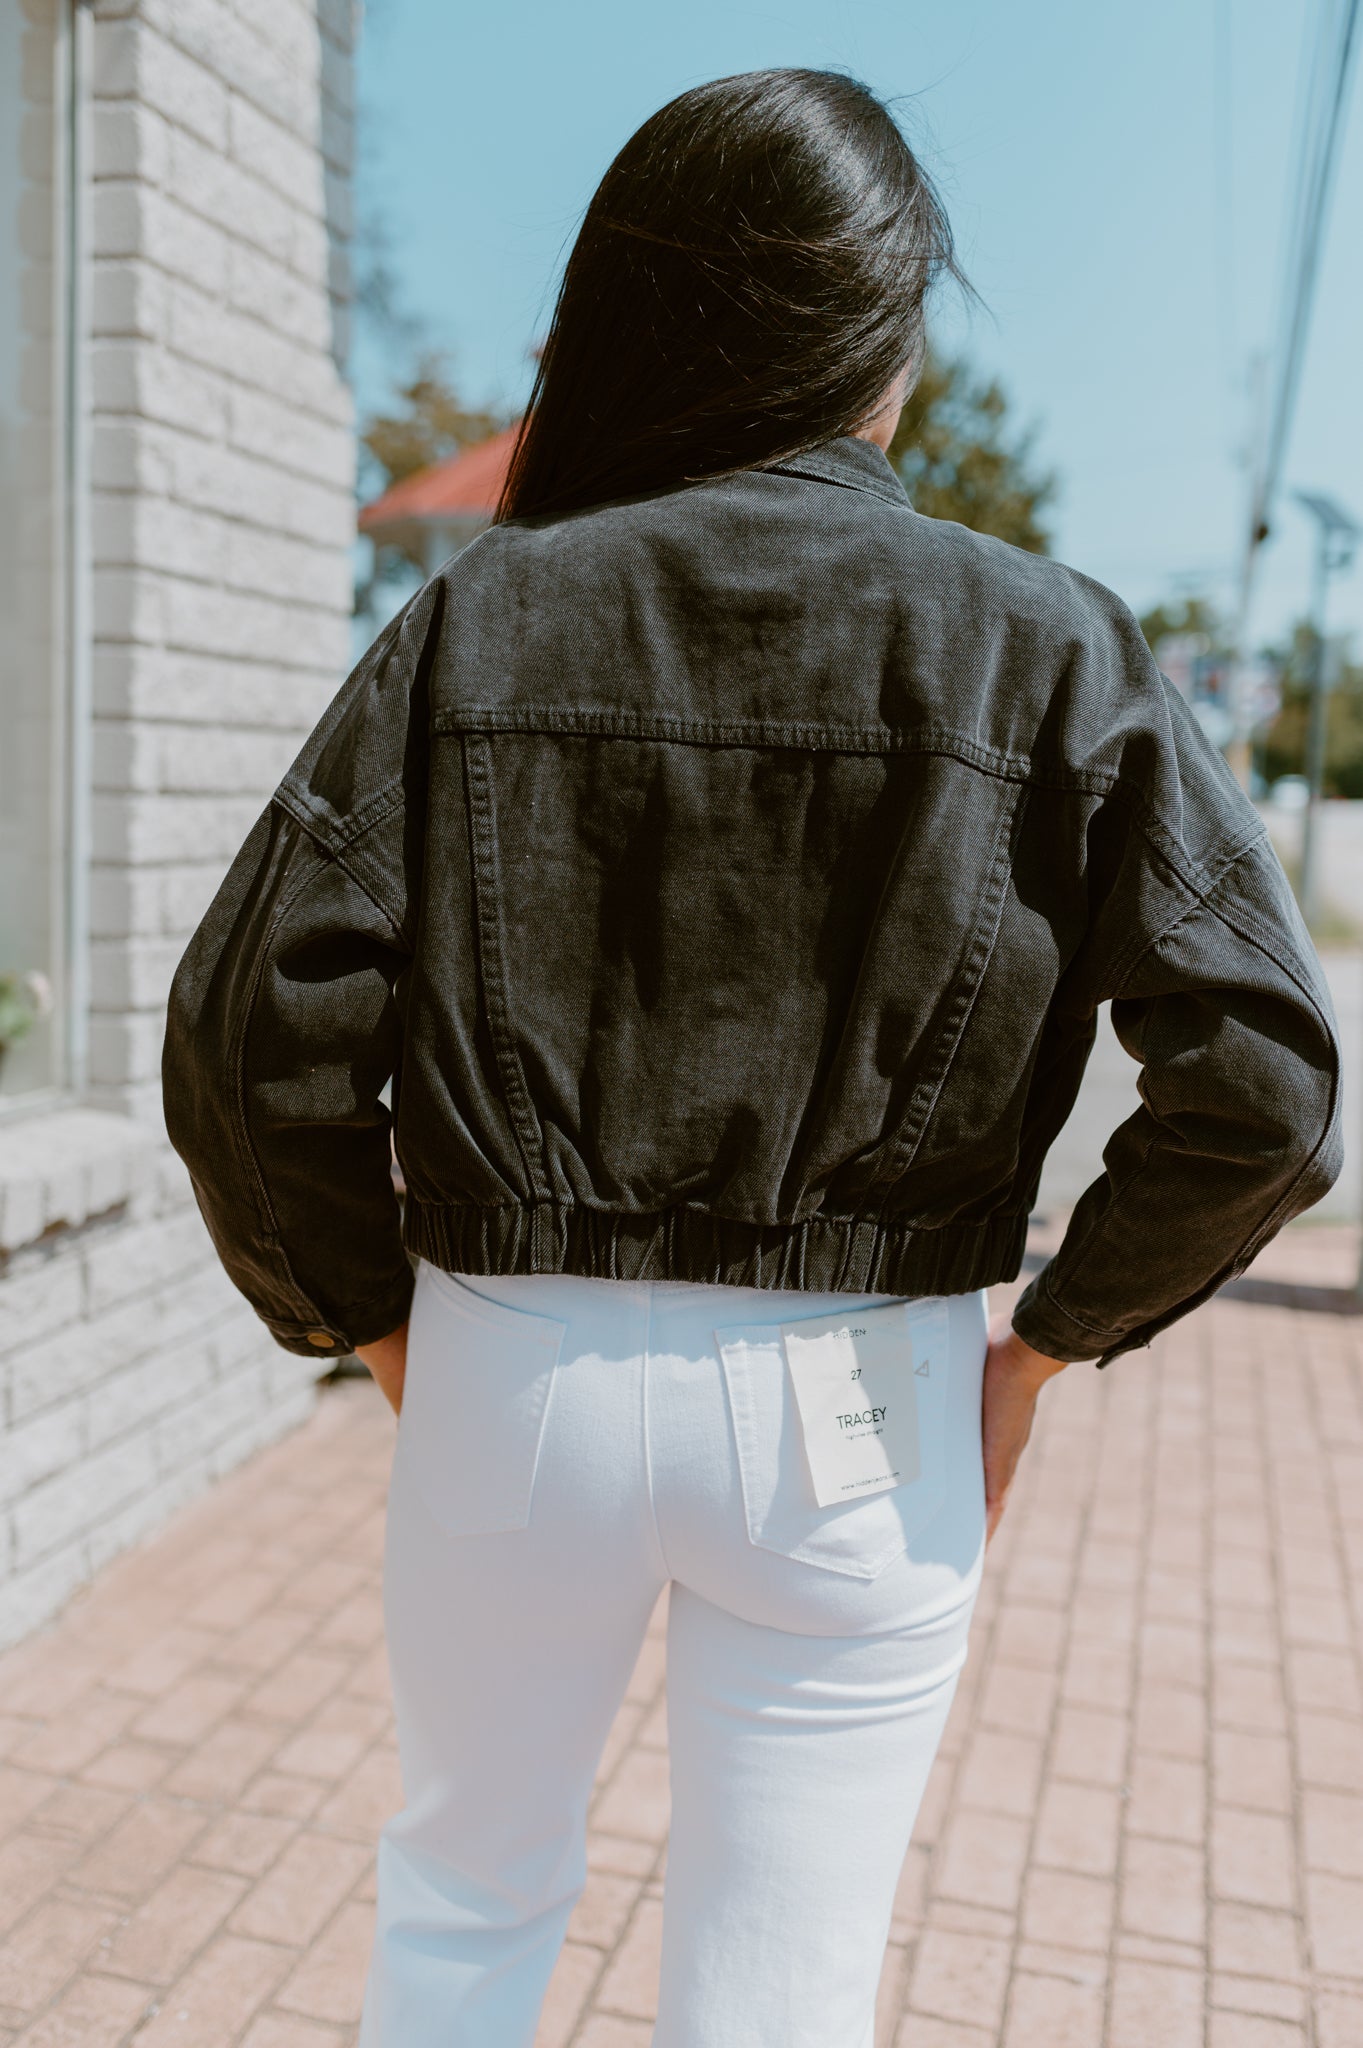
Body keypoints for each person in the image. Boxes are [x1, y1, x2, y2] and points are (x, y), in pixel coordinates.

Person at [161, 67, 1342, 2048]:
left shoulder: (479, 617)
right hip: (865, 1406)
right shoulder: (1045, 643)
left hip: (506, 1372)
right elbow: (1266, 1085)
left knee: (463, 1901)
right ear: (881, 345)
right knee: (776, 1983)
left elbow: (239, 1034)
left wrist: (366, 1322)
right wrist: (1049, 1339)